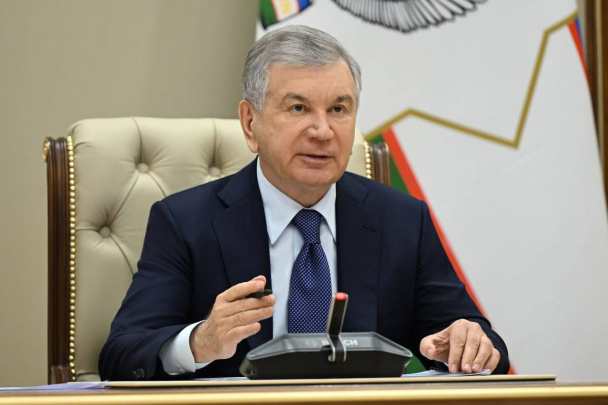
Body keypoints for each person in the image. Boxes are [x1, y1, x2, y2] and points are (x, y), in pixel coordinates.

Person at [99, 25, 509, 380]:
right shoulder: (185, 222)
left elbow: (487, 348)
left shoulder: (402, 219)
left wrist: (467, 344)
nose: (322, 131)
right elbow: (121, 356)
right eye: (299, 108)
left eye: (338, 109)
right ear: (250, 123)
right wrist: (199, 342)